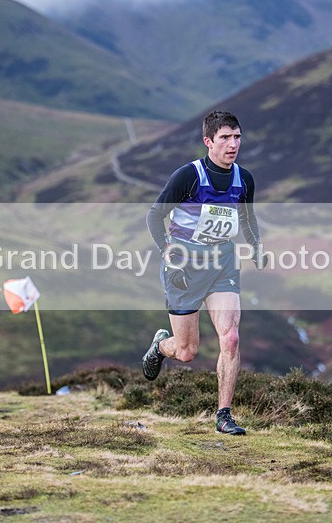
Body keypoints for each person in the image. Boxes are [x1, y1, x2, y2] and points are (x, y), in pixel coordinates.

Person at [143, 110, 266, 435]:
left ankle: (224, 414)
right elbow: (155, 217)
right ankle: (160, 347)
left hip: (222, 263)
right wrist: (169, 255)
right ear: (208, 141)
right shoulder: (189, 176)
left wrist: (255, 245)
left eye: (237, 137)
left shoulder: (244, 179)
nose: (233, 144)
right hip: (184, 265)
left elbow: (247, 218)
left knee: (231, 337)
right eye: (225, 137)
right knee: (186, 352)